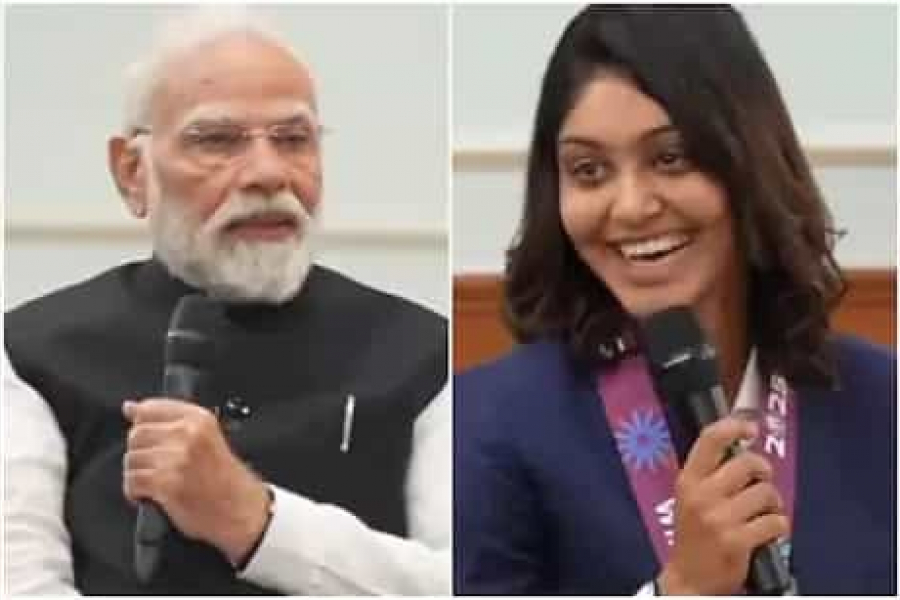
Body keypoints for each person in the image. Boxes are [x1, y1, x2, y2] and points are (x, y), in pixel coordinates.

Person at [4, 9, 449, 596]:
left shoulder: (423, 353)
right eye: (216, 140)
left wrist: (255, 521)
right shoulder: (32, 352)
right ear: (133, 172)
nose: (268, 173)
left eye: (294, 140)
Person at [453, 5, 895, 596]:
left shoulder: (882, 403)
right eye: (589, 171)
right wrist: (680, 589)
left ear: (748, 160)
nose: (631, 206)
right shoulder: (486, 423)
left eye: (670, 158)